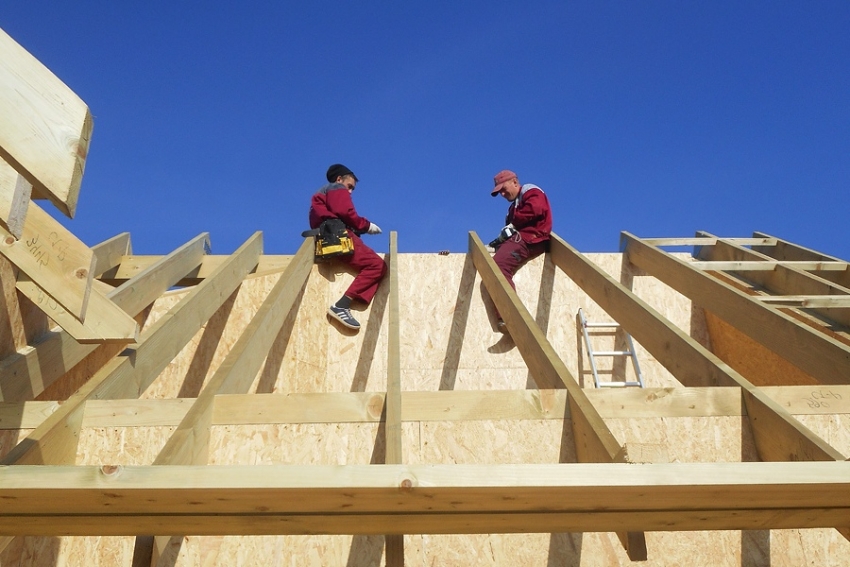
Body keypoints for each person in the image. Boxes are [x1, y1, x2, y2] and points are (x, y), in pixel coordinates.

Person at [308, 164, 387, 330]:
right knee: (377, 265)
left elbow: (332, 216)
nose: (350, 192)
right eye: (349, 186)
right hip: (339, 236)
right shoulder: (335, 188)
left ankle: (345, 304)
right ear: (339, 179)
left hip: (325, 239)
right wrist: (366, 225)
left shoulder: (319, 196)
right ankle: (342, 305)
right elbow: (345, 212)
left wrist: (357, 228)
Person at [488, 169, 553, 331]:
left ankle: (509, 315)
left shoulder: (531, 191)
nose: (502, 193)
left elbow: (536, 209)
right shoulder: (513, 207)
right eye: (499, 191)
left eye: (504, 188)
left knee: (497, 267)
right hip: (523, 239)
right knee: (493, 261)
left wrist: (514, 224)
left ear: (515, 182)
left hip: (532, 237)